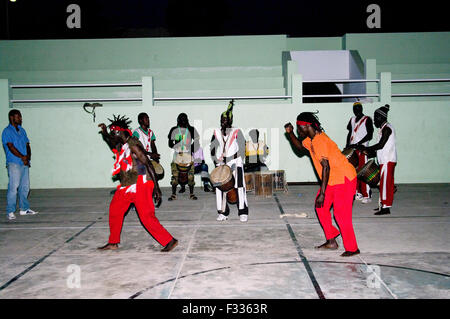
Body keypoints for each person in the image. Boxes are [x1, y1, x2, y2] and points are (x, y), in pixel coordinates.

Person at [97, 114, 178, 252]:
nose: (112, 136)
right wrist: (105, 133)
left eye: (112, 133)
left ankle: (170, 240)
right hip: (127, 185)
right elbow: (111, 142)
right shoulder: (121, 144)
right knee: (115, 210)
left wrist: (156, 188)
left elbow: (148, 164)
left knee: (146, 216)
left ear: (118, 132)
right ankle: (113, 242)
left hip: (141, 183)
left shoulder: (133, 145)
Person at [284, 111, 360, 257]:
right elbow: (300, 148)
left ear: (306, 126)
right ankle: (331, 241)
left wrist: (323, 193)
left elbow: (326, 167)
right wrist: (290, 133)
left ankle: (352, 248)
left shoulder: (320, 141)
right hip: (332, 179)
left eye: (299, 128)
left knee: (340, 215)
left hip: (343, 179)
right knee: (321, 207)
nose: (298, 131)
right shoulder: (311, 139)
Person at [210, 100, 249, 222]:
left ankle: (243, 212)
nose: (223, 122)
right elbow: (212, 148)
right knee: (219, 188)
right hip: (222, 163)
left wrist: (230, 158)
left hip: (235, 162)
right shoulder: (216, 132)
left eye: (225, 120)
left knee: (239, 187)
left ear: (230, 121)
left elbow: (243, 149)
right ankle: (223, 212)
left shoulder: (237, 132)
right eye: (221, 119)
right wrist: (216, 160)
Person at [357, 104, 397, 216]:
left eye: (376, 117)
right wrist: (369, 151)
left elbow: (381, 145)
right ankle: (383, 204)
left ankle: (386, 207)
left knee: (385, 184)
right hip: (385, 160)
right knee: (385, 183)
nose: (374, 120)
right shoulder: (383, 128)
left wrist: (366, 148)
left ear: (381, 117)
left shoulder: (387, 129)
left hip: (388, 160)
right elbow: (381, 147)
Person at [2, 109, 38, 220]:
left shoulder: (22, 130)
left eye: (21, 117)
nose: (20, 119)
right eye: (18, 117)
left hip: (24, 163)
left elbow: (27, 144)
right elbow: (10, 147)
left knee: (25, 187)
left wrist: (28, 158)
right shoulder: (7, 131)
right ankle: (10, 211)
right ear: (12, 117)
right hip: (14, 163)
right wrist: (22, 157)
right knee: (14, 187)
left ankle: (24, 209)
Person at [345, 102, 374, 203]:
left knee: (364, 172)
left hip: (362, 148)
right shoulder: (352, 119)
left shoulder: (367, 119)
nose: (356, 110)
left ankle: (367, 194)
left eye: (358, 108)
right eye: (355, 109)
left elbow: (370, 135)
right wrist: (347, 145)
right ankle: (358, 192)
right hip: (353, 149)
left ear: (361, 108)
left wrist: (358, 144)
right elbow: (350, 132)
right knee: (354, 171)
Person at [167, 113, 200, 201]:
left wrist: (190, 149)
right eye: (181, 119)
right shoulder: (174, 130)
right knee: (175, 174)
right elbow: (170, 143)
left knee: (190, 174)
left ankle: (191, 193)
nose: (183, 121)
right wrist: (175, 147)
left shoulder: (191, 129)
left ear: (187, 120)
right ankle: (173, 194)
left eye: (184, 119)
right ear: (178, 120)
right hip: (177, 155)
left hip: (188, 155)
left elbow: (197, 142)